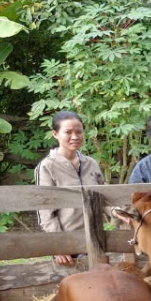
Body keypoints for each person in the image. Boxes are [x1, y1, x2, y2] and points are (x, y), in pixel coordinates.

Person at [34, 111, 104, 266]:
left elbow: (104, 195)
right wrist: (59, 244)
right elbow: (44, 211)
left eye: (79, 132)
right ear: (55, 134)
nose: (75, 136)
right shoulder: (47, 166)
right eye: (68, 132)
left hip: (96, 238)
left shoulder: (91, 163)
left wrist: (121, 213)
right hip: (67, 245)